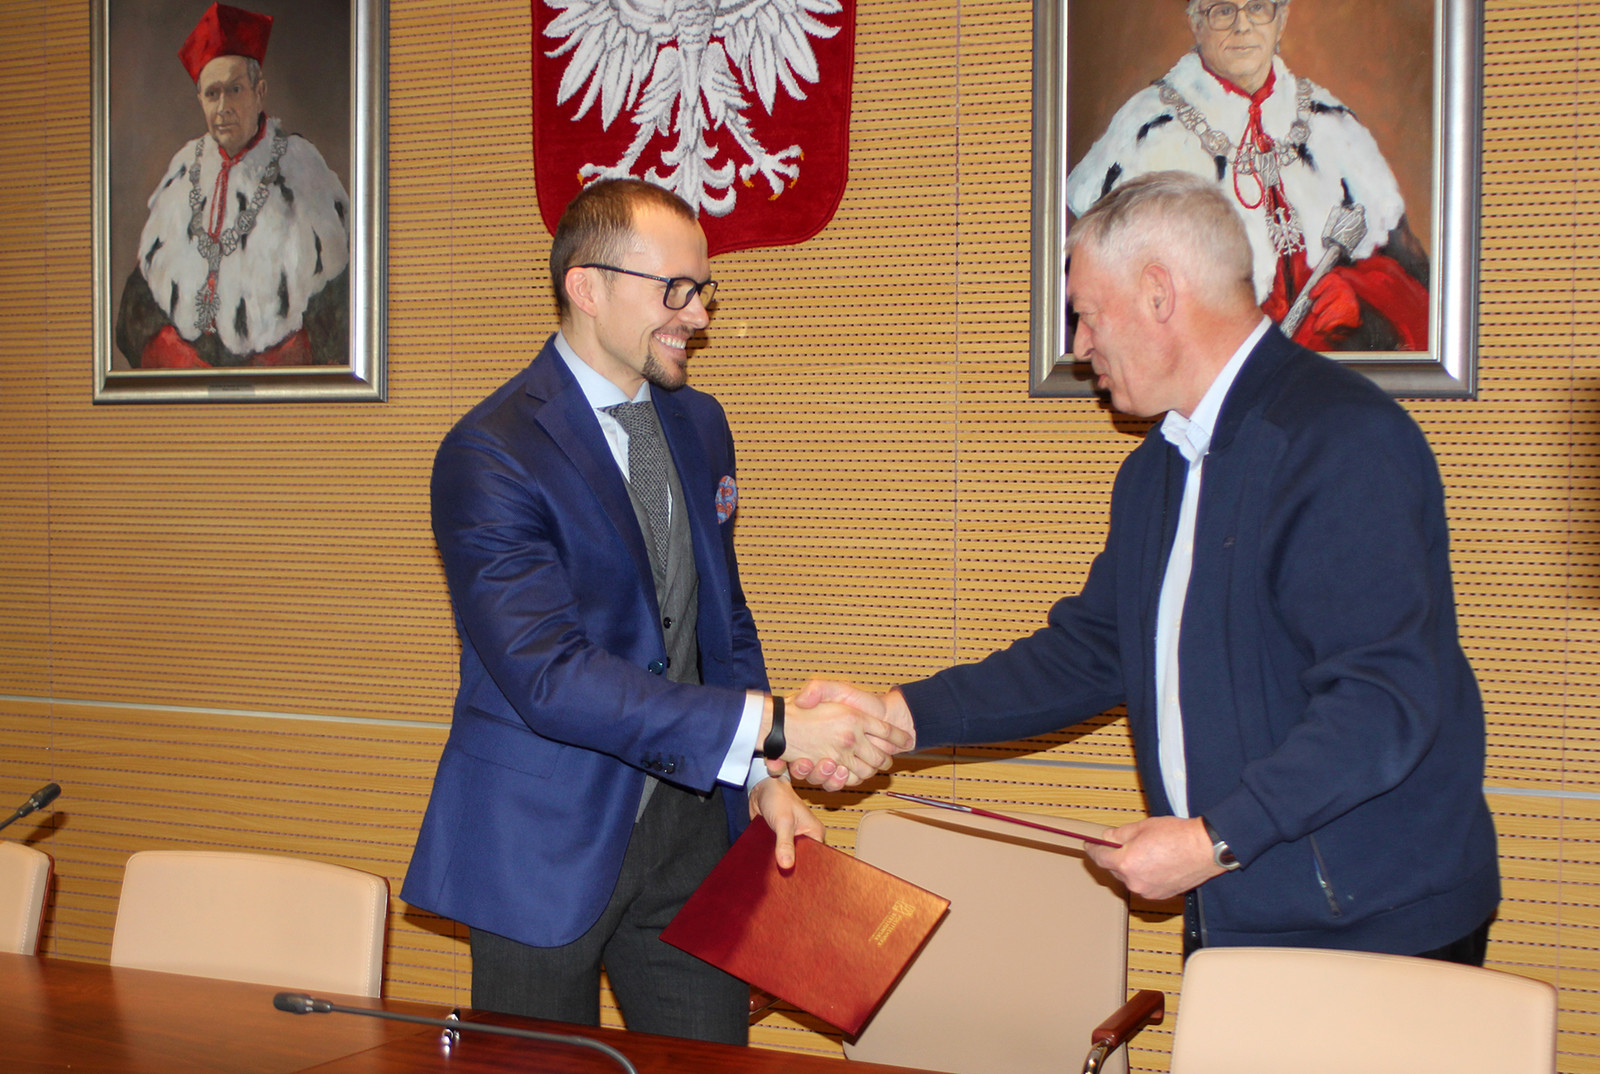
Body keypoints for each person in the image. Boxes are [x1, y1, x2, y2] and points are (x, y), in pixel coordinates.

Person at [799, 171, 1499, 963]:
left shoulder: (1340, 441)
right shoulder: (1157, 467)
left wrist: (1216, 839)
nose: (1079, 345)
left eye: (1087, 314)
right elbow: (1093, 651)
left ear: (1160, 294)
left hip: (1377, 924)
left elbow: (1381, 701)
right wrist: (897, 716)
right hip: (1239, 903)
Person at [402, 177, 909, 1044]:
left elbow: (723, 623)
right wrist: (776, 727)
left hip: (691, 831)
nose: (697, 315)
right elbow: (551, 678)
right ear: (586, 287)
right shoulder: (490, 452)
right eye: (673, 290)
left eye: (703, 289)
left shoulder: (699, 422)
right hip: (542, 843)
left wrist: (765, 776)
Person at [1066, 0, 1429, 352]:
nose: (1242, 26)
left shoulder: (1332, 122)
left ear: (1281, 20)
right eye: (1223, 10)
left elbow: (1413, 283)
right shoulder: (1147, 130)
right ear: (1196, 23)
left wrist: (1358, 300)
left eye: (1257, 7)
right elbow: (1102, 294)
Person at [114, 3, 350, 368]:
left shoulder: (303, 169)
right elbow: (136, 308)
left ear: (260, 92)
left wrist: (287, 363)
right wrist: (169, 354)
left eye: (235, 89)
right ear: (200, 101)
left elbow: (342, 306)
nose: (223, 107)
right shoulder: (182, 170)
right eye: (212, 94)